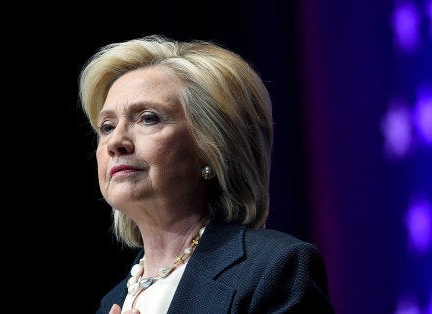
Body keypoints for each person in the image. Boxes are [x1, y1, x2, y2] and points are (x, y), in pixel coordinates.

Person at [79, 35, 334, 313]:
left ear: (210, 148)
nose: (116, 142)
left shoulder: (272, 268)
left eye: (148, 118)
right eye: (106, 126)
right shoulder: (110, 303)